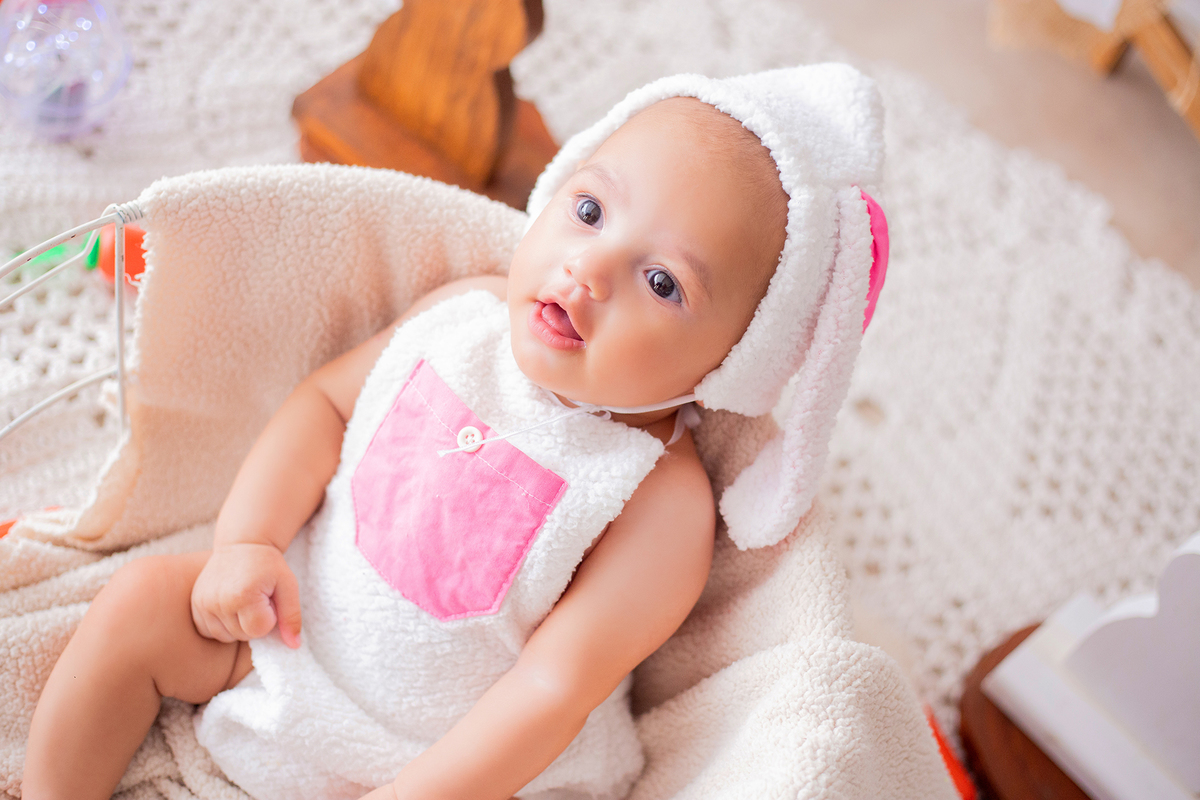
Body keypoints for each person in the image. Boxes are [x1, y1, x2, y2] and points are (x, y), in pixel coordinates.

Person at [22, 64, 887, 800]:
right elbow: (324, 408)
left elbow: (554, 689)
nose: (588, 271)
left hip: (457, 764)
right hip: (286, 648)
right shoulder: (462, 319)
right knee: (137, 606)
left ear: (732, 361)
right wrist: (248, 542)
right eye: (590, 213)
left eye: (662, 282)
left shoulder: (657, 497)